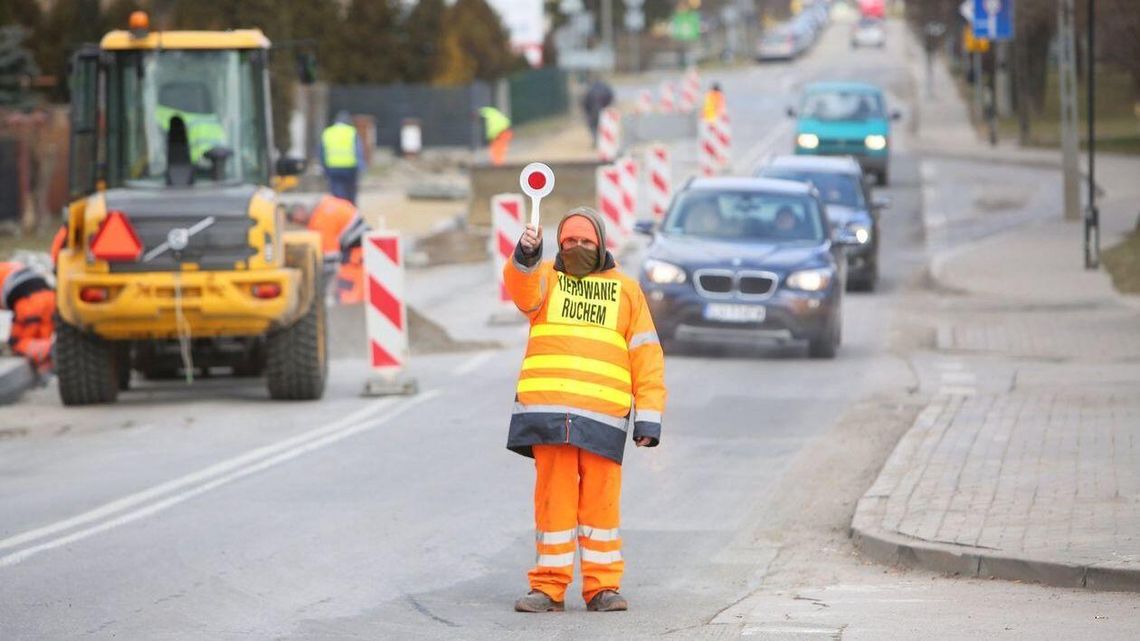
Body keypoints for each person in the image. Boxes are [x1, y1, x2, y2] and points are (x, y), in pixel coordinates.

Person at [504, 207, 666, 614]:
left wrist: (649, 415)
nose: (577, 248)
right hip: (548, 417)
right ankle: (548, 588)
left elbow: (646, 355)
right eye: (569, 242)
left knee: (601, 507)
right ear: (558, 246)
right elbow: (521, 287)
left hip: (603, 421)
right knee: (553, 504)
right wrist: (527, 253)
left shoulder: (626, 291)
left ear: (602, 245)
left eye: (586, 242)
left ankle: (602, 588)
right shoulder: (546, 280)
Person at [288, 195, 367, 304]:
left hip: (357, 254)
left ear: (300, 212)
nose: (297, 223)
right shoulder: (324, 205)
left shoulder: (321, 221)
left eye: (294, 219)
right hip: (359, 247)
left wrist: (321, 288)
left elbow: (330, 258)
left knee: (347, 293)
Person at [0, 262, 55, 374]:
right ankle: (49, 360)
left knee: (17, 342)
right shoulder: (8, 266)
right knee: (41, 339)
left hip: (29, 303)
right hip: (50, 298)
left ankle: (53, 353)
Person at [320, 111, 365, 204]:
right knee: (350, 194)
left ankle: (339, 213)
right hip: (350, 168)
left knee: (337, 195)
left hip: (332, 168)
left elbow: (322, 152)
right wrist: (361, 168)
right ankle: (351, 214)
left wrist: (324, 168)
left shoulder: (328, 132)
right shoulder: (352, 132)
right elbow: (358, 151)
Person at [582, 78, 615, 144]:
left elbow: (585, 101)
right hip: (604, 110)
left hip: (592, 111)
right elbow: (611, 97)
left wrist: (587, 111)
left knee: (593, 126)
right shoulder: (606, 88)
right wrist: (607, 106)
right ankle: (603, 140)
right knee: (604, 125)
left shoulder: (590, 89)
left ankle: (596, 139)